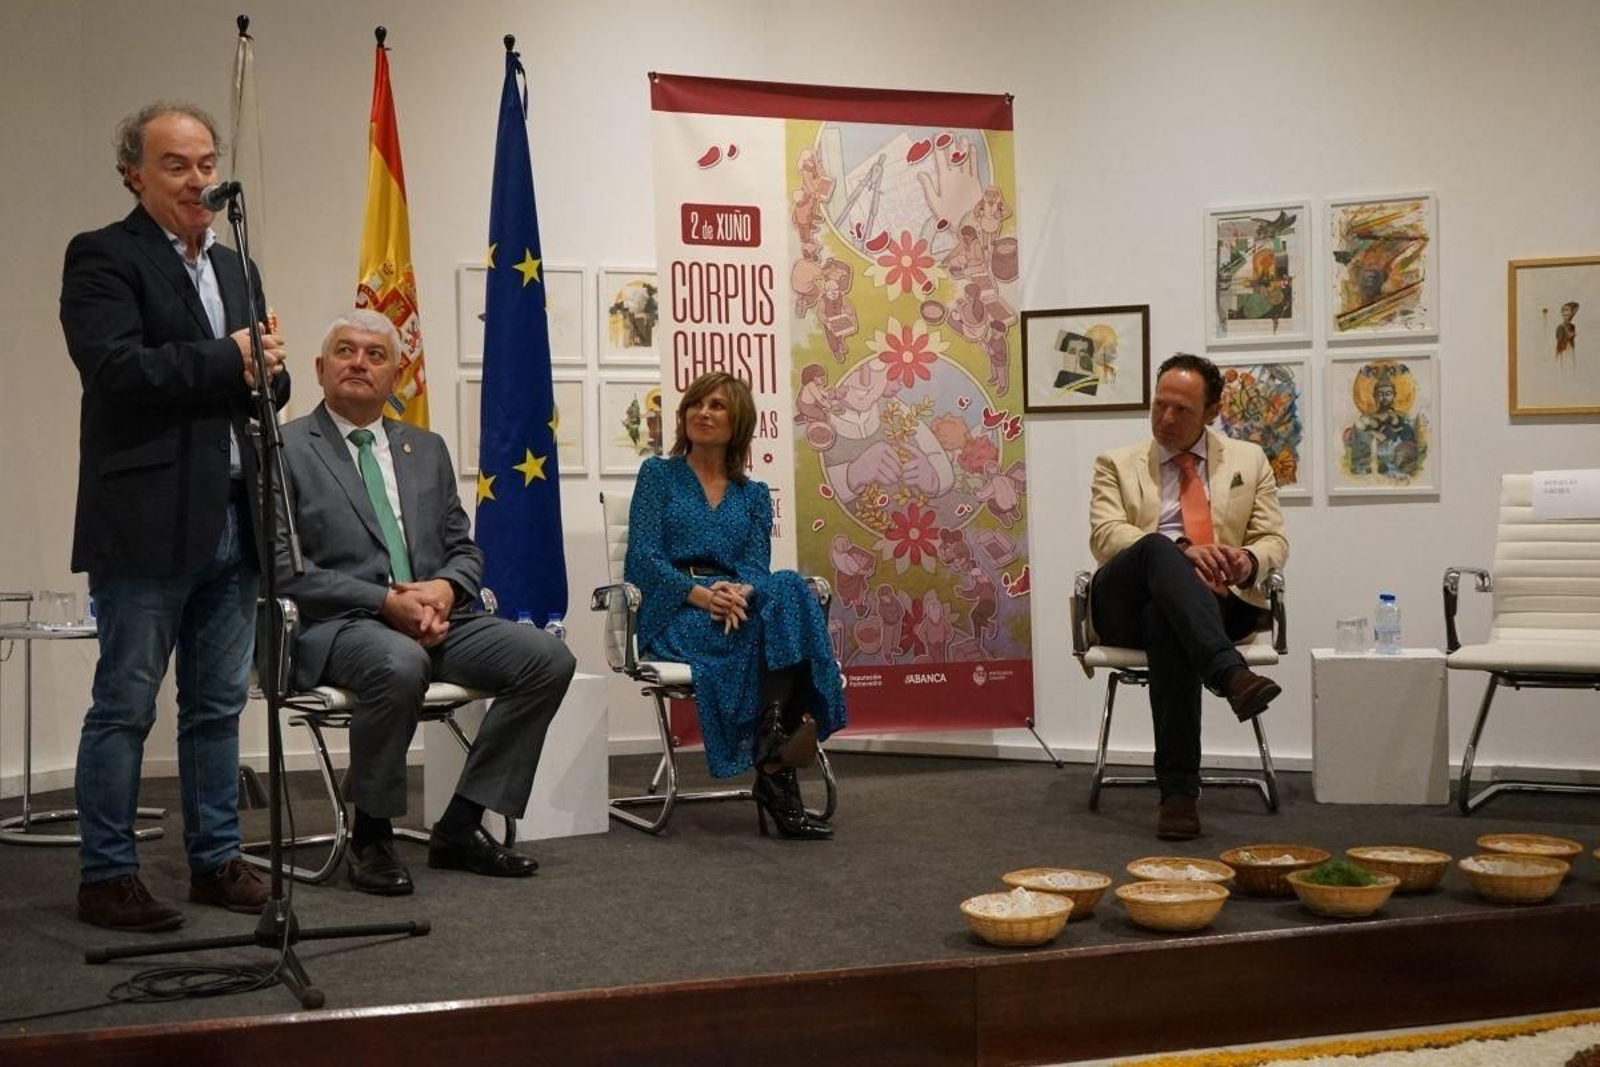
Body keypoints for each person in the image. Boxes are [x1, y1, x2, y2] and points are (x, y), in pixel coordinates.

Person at [60, 102, 290, 931]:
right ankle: (107, 874)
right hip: (146, 517)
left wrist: (270, 370)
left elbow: (263, 385)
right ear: (134, 175)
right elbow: (118, 370)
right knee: (125, 703)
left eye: (206, 163)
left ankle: (216, 858)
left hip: (235, 514)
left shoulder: (236, 265)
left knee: (218, 705)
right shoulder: (103, 256)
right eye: (176, 165)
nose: (198, 180)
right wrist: (231, 357)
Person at [275, 311, 576, 895]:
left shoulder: (425, 448)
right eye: (345, 351)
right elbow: (285, 567)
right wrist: (385, 601)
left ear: (395, 375)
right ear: (319, 368)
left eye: (375, 355)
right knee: (399, 662)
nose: (359, 363)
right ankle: (372, 833)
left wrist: (443, 590)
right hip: (340, 625)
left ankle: (461, 823)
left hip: (438, 619)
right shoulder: (284, 448)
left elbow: (464, 549)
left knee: (547, 659)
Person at [625, 372, 846, 839]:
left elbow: (754, 568)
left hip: (734, 607)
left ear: (738, 421)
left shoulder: (753, 494)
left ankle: (771, 742)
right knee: (779, 636)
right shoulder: (658, 476)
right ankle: (776, 769)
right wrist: (704, 595)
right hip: (676, 609)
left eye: (717, 406)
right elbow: (643, 559)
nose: (703, 413)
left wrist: (739, 593)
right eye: (696, 404)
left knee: (787, 585)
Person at [1087, 353, 1289, 841]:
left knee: (1168, 619)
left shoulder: (1248, 460)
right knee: (1158, 547)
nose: (1166, 419)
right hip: (1125, 602)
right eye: (1160, 405)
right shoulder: (1116, 463)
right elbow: (1106, 535)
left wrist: (1247, 560)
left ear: (1212, 412)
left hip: (1214, 603)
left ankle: (1178, 795)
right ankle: (1230, 675)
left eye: (1182, 410)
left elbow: (1273, 540)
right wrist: (1181, 551)